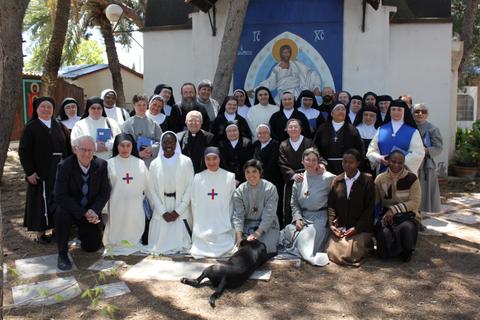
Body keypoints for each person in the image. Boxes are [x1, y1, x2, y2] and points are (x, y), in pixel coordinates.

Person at [19, 96, 72, 243]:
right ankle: (40, 233)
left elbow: (68, 148)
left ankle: (57, 229)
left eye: (49, 107)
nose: (46, 109)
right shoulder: (31, 127)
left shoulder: (60, 126)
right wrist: (29, 172)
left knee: (59, 199)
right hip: (40, 172)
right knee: (40, 201)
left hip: (59, 170)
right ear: (36, 109)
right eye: (43, 107)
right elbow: (24, 151)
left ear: (53, 109)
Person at [54, 136, 111, 270]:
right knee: (61, 213)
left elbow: (105, 191)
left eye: (90, 150)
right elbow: (60, 195)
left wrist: (94, 210)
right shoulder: (64, 166)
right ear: (75, 150)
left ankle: (81, 235)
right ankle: (62, 253)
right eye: (83, 150)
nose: (87, 154)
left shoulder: (101, 165)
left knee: (92, 247)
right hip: (71, 209)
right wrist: (82, 212)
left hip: (90, 211)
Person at [280, 148, 334, 266]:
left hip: (320, 218)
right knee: (284, 233)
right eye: (307, 160)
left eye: (314, 160)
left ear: (318, 162)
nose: (310, 163)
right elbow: (294, 203)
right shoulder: (299, 179)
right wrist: (297, 218)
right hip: (304, 217)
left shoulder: (327, 177)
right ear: (302, 161)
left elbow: (342, 183)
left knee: (304, 240)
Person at [144, 131, 195, 255]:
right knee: (160, 244)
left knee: (182, 243)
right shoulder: (155, 164)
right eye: (165, 142)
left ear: (176, 144)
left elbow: (191, 186)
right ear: (161, 144)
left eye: (172, 142)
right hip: (162, 205)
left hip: (180, 206)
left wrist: (179, 210)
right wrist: (162, 211)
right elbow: (152, 190)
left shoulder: (186, 161)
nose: (169, 145)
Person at [326, 149, 375, 266]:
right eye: (344, 162)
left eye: (351, 162)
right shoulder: (337, 181)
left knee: (350, 254)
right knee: (332, 252)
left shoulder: (367, 181)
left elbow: (369, 210)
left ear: (358, 163)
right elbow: (331, 205)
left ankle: (367, 246)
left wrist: (356, 229)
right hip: (342, 227)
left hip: (360, 228)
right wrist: (332, 224)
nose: (347, 165)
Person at [103, 134, 149, 255]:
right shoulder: (110, 164)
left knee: (134, 223)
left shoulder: (140, 163)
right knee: (118, 225)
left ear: (132, 146)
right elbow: (105, 187)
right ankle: (116, 242)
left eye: (128, 145)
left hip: (135, 204)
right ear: (116, 147)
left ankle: (134, 240)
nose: (125, 149)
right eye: (122, 146)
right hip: (116, 203)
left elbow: (147, 185)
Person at [374, 150, 421, 262]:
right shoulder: (380, 179)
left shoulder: (412, 179)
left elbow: (415, 202)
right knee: (383, 236)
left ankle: (406, 252)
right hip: (386, 215)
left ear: (404, 163)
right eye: (393, 161)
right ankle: (389, 251)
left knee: (406, 228)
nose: (396, 165)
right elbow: (375, 200)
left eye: (400, 163)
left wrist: (393, 210)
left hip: (408, 215)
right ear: (388, 161)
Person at [190, 147, 236, 258]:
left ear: (220, 159)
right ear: (204, 160)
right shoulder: (198, 177)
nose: (211, 162)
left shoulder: (230, 177)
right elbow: (194, 203)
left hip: (223, 224)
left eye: (214, 158)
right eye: (208, 159)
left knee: (225, 241)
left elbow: (232, 203)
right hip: (203, 225)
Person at [233, 159, 280, 254]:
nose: (251, 175)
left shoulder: (270, 189)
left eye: (254, 171)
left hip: (267, 227)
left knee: (263, 248)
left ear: (260, 172)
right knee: (242, 248)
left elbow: (269, 214)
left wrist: (257, 233)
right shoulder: (239, 191)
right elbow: (238, 216)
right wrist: (239, 237)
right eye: (248, 172)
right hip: (248, 225)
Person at [367, 99, 425, 175]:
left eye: (399, 110)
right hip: (383, 173)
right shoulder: (381, 129)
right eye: (393, 109)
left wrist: (397, 162)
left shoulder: (413, 131)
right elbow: (371, 150)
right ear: (389, 111)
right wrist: (379, 158)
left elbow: (418, 153)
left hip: (404, 174)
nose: (396, 112)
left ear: (404, 111)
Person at [278, 119, 317, 226]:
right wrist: (293, 175)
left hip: (307, 177)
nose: (293, 129)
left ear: (301, 129)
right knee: (290, 205)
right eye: (290, 127)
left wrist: (307, 172)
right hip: (292, 180)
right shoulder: (283, 144)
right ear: (286, 129)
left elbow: (315, 157)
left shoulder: (309, 142)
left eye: (296, 127)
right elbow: (282, 163)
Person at [257, 42, 322, 102]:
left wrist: (316, 86)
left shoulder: (296, 64)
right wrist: (255, 89)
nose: (286, 54)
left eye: (288, 52)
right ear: (280, 54)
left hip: (297, 93)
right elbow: (270, 83)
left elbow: (310, 73)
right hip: (282, 95)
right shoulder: (276, 69)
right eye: (284, 52)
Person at [313, 103, 364, 175]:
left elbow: (359, 149)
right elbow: (315, 147)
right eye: (338, 109)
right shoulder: (323, 128)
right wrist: (321, 162)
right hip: (325, 167)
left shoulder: (353, 129)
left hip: (347, 167)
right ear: (332, 113)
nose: (341, 111)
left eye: (343, 109)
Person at [413, 103, 443, 213]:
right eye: (417, 111)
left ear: (427, 114)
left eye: (423, 111)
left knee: (423, 192)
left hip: (425, 165)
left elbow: (438, 147)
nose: (420, 114)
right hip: (410, 163)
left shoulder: (432, 129)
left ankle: (419, 216)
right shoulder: (409, 127)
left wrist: (426, 150)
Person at [253, 124, 284, 227]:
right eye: (260, 133)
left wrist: (261, 176)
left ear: (269, 133)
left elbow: (272, 163)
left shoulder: (276, 144)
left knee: (274, 206)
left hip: (273, 180)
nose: (262, 135)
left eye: (265, 133)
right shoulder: (256, 145)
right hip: (258, 182)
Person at [122, 94, 163, 167]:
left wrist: (151, 150)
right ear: (134, 106)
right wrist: (138, 153)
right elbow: (123, 144)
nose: (142, 107)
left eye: (144, 105)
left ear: (147, 106)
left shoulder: (154, 124)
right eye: (139, 105)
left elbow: (161, 142)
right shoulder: (127, 125)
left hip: (151, 162)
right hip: (133, 161)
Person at [356, 104, 378, 176]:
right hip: (358, 164)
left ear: (376, 117)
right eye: (365, 115)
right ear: (361, 116)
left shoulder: (379, 131)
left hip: (374, 164)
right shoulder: (355, 130)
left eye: (372, 115)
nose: (368, 117)